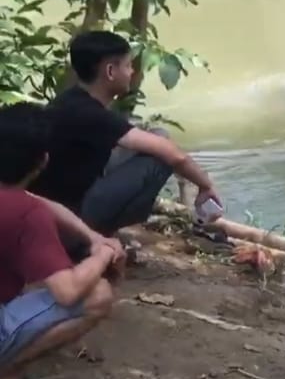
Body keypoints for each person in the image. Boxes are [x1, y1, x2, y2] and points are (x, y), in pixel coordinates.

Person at [28, 30, 224, 261]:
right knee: (159, 158)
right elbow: (175, 157)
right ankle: (91, 238)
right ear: (110, 71)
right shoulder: (89, 114)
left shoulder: (73, 100)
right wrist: (206, 186)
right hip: (67, 222)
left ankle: (98, 232)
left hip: (60, 205)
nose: (132, 72)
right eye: (128, 65)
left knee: (158, 135)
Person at [0, 102, 121, 379]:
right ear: (42, 161)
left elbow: (39, 201)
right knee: (97, 294)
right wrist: (103, 253)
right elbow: (67, 291)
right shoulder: (28, 214)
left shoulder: (22, 202)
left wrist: (91, 236)